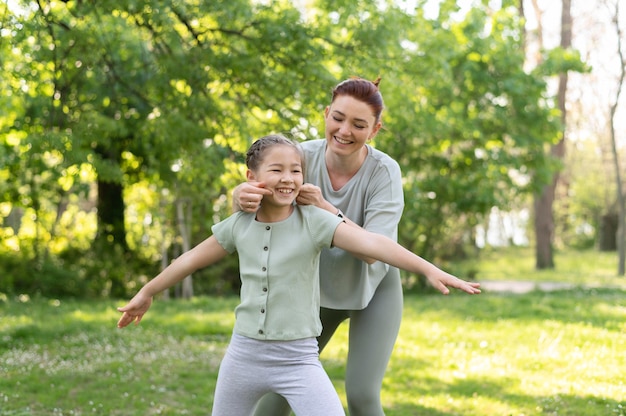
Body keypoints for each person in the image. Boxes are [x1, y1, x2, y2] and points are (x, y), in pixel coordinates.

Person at [118, 134, 481, 416]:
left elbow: (374, 244)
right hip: (242, 356)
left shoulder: (316, 222)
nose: (288, 178)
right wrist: (147, 292)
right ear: (252, 178)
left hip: (298, 360)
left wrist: (428, 268)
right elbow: (190, 260)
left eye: (295, 170)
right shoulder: (238, 225)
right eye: (277, 170)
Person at [232, 77, 436, 415]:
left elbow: (374, 251)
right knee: (271, 404)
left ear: (374, 129)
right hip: (312, 292)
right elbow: (257, 202)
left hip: (373, 290)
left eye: (359, 124)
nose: (344, 130)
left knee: (362, 395)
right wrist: (239, 196)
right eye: (338, 118)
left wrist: (327, 208)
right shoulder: (301, 157)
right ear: (326, 114)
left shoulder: (384, 172)